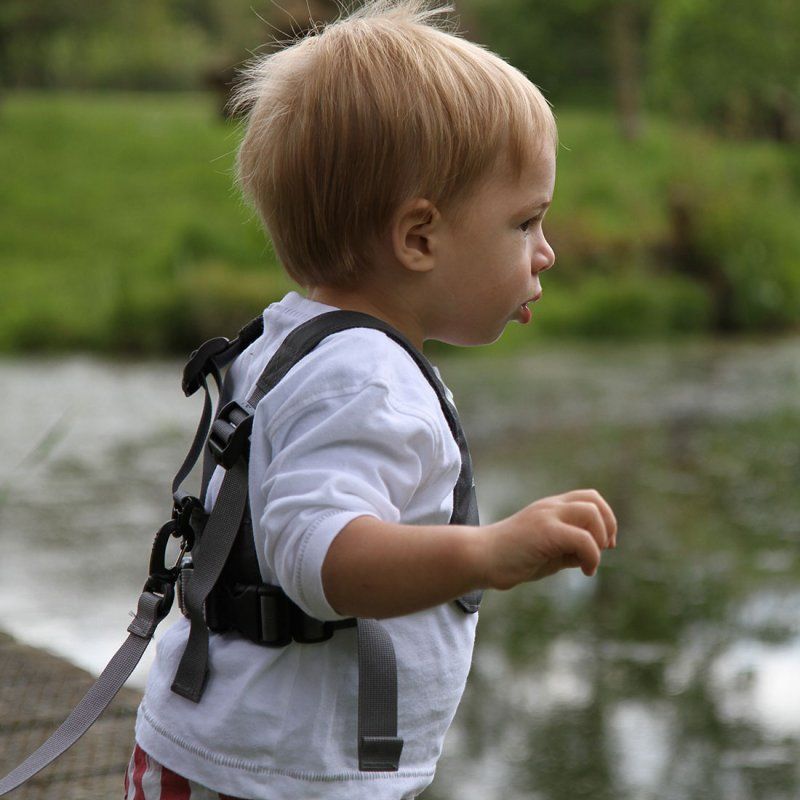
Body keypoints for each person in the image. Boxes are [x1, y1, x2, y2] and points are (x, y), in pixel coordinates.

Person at [127, 1, 618, 798]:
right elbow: (319, 552)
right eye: (525, 222)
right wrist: (487, 554)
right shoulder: (366, 379)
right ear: (418, 237)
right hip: (276, 779)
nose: (547, 252)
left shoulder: (293, 339)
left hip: (226, 752)